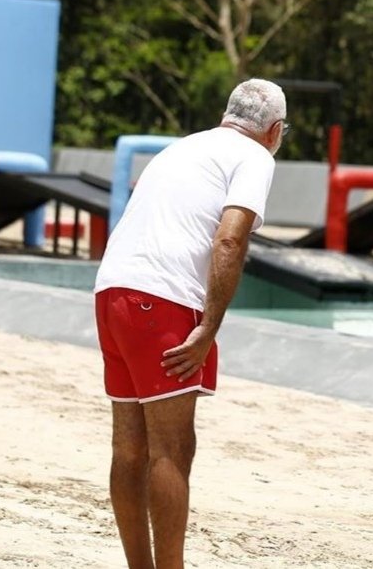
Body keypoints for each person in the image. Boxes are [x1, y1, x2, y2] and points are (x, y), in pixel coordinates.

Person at [93, 78, 288, 568]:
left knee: (130, 445)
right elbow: (230, 241)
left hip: (112, 289)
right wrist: (209, 327)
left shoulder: (184, 147)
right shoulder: (255, 157)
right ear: (275, 131)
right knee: (171, 447)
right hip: (161, 299)